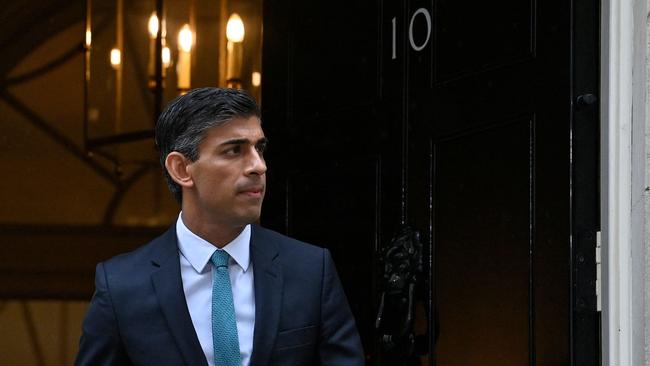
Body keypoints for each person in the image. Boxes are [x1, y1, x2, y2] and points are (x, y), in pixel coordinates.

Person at [75, 88, 364, 366]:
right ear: (181, 169)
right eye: (234, 150)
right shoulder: (123, 285)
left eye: (259, 148)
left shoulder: (310, 270)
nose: (259, 166)